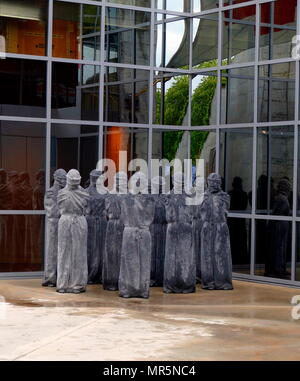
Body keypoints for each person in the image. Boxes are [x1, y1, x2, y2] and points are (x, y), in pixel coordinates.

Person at [119, 172, 155, 298]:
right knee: (130, 262)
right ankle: (130, 289)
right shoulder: (128, 199)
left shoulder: (147, 199)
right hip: (134, 232)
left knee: (142, 262)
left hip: (138, 232)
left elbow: (123, 216)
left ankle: (140, 289)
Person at [56, 169, 89, 294]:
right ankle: (63, 283)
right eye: (72, 181)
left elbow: (86, 208)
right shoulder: (61, 193)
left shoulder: (83, 193)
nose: (74, 183)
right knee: (64, 252)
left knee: (78, 253)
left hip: (79, 221)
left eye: (76, 181)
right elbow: (60, 208)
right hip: (65, 221)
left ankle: (77, 284)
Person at [200, 173, 233, 290]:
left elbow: (224, 211)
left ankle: (222, 280)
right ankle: (208, 281)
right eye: (211, 182)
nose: (213, 184)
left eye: (216, 182)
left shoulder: (224, 196)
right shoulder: (203, 196)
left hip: (220, 227)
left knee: (221, 254)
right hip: (207, 227)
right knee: (207, 254)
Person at [164, 172, 196, 294]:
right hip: (172, 229)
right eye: (177, 181)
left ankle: (186, 283)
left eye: (181, 181)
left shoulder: (189, 196)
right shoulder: (168, 197)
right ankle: (171, 283)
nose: (179, 183)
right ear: (173, 181)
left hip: (185, 230)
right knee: (172, 257)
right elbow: (168, 215)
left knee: (185, 258)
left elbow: (192, 213)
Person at [102, 172, 127, 291]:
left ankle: (120, 280)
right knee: (112, 253)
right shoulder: (111, 195)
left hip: (122, 226)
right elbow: (106, 212)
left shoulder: (127, 196)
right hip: (113, 226)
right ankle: (111, 280)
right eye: (117, 180)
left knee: (122, 253)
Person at [42, 169, 67, 287]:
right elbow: (52, 210)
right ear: (56, 178)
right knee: (52, 250)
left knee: (62, 251)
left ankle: (60, 276)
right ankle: (50, 277)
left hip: (62, 224)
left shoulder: (64, 192)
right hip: (53, 224)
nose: (64, 181)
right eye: (62, 178)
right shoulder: (50, 192)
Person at [265, 179, 291, 279]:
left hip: (282, 225)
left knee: (282, 248)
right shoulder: (280, 198)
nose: (290, 188)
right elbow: (275, 213)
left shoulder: (283, 197)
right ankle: (276, 269)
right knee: (278, 248)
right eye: (288, 186)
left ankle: (280, 268)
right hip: (278, 226)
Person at [86, 170, 107, 284]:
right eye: (93, 178)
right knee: (90, 248)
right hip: (90, 222)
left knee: (101, 247)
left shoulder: (106, 192)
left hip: (102, 222)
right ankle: (90, 273)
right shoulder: (86, 192)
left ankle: (100, 273)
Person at [150, 176, 167, 287]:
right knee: (152, 252)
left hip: (163, 228)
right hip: (152, 227)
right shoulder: (150, 197)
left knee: (162, 252)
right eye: (158, 185)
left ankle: (161, 276)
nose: (160, 187)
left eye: (162, 185)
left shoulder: (166, 197)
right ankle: (152, 276)